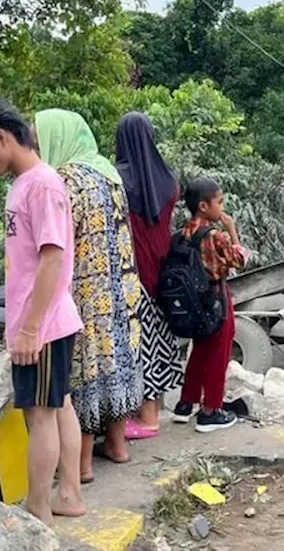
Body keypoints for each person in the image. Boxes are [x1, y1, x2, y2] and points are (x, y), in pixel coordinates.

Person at [0, 99, 86, 523]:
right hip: (44, 322)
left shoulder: (43, 184)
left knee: (41, 415)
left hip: (43, 325)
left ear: (1, 135)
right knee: (59, 405)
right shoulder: (25, 183)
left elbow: (53, 258)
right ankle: (67, 495)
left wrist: (30, 328)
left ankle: (38, 509)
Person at [35, 109, 148, 479]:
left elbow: (59, 244)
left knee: (84, 372)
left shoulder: (65, 181)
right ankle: (117, 446)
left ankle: (81, 466)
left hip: (87, 290)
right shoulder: (108, 173)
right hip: (124, 290)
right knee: (117, 363)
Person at [114, 112, 185, 439]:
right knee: (158, 338)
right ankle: (154, 413)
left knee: (138, 341)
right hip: (166, 266)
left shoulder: (119, 179)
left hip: (134, 269)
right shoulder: (168, 178)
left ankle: (145, 419)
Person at [172, 177, 249, 433]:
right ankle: (211, 410)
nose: (222, 207)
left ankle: (186, 403)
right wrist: (233, 230)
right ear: (204, 206)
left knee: (201, 349)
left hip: (194, 302)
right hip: (216, 297)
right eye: (220, 202)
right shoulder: (215, 236)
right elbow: (239, 260)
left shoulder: (185, 231)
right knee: (219, 352)